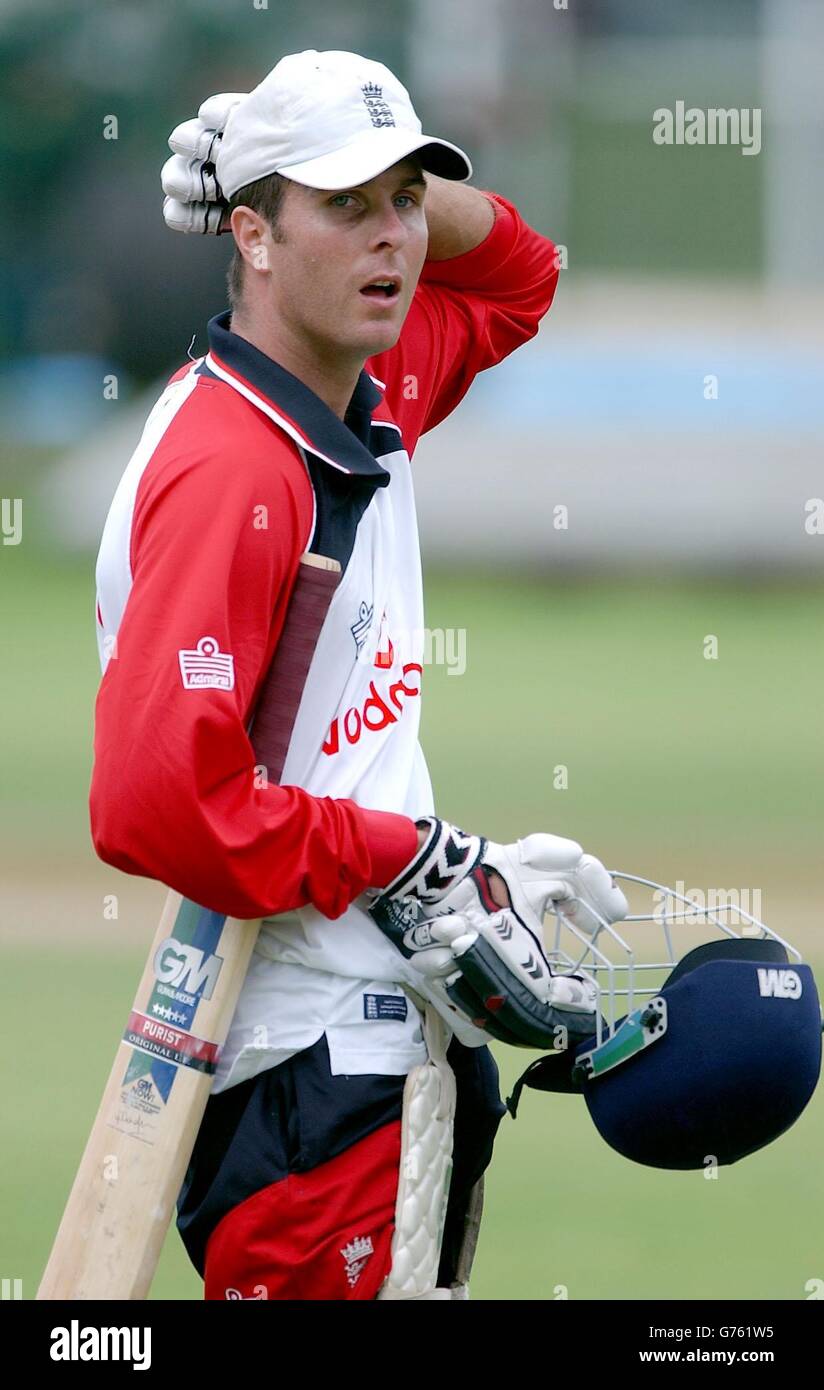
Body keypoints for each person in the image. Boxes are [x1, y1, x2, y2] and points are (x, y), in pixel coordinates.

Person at [90, 48, 626, 1301]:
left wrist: (320, 160)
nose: (393, 238)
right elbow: (156, 807)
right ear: (252, 238)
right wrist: (407, 856)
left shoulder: (362, 393)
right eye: (345, 207)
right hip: (304, 1076)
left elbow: (518, 274)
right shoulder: (237, 465)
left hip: (370, 1053)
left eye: (403, 201)